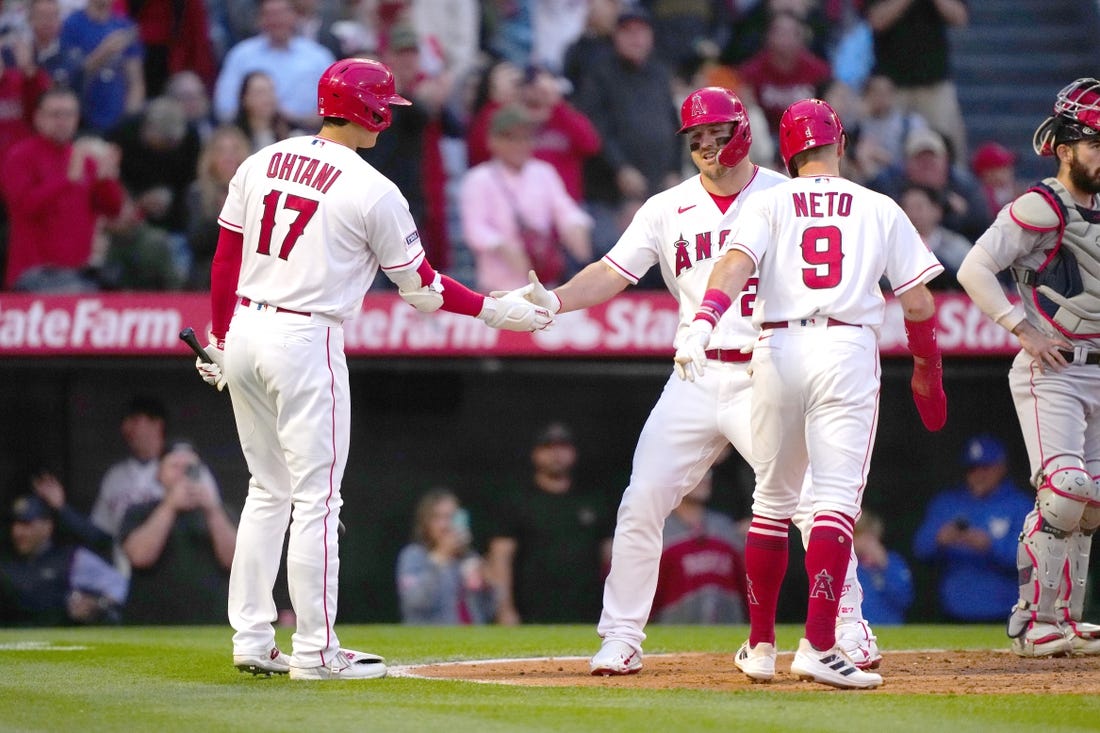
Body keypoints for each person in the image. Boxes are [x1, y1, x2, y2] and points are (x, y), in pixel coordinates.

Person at [500, 88, 882, 676]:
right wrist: (554, 300)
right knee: (642, 500)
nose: (706, 145)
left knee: (811, 504)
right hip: (696, 371)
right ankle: (622, 636)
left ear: (743, 131)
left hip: (769, 367)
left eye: (716, 132)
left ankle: (848, 627)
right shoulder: (666, 207)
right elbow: (611, 270)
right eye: (696, 137)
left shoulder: (788, 193)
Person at [192, 57, 552, 681]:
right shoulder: (372, 188)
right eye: (385, 106)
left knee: (266, 491)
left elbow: (226, 259)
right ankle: (316, 651)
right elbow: (423, 289)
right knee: (316, 502)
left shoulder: (261, 159)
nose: (389, 119)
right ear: (369, 109)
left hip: (245, 329)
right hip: (306, 336)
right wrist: (496, 312)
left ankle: (252, 638)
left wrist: (221, 335)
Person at [674, 97, 944, 689]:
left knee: (771, 504)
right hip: (846, 349)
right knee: (834, 502)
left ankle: (761, 644)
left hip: (774, 348)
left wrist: (701, 323)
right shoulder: (878, 205)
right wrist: (928, 368)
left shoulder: (767, 200)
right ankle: (820, 644)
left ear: (787, 152)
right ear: (838, 144)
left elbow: (733, 268)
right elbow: (919, 302)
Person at [956, 77, 1100, 658]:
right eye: (1096, 143)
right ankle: (1034, 619)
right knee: (1065, 490)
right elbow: (974, 267)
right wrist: (1022, 327)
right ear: (1065, 149)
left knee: (1092, 501)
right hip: (1056, 368)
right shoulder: (1043, 203)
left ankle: (1064, 618)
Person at [485, 422, 614, 625]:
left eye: (563, 446)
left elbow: (611, 559)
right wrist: (504, 609)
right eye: (548, 447)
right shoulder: (517, 501)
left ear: (573, 452)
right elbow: (500, 559)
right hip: (532, 615)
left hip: (588, 614)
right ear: (535, 454)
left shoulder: (592, 501)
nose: (556, 454)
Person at [459, 103, 593, 292]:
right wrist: (501, 246)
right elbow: (474, 228)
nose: (519, 145)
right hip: (498, 286)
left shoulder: (543, 172)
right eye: (511, 139)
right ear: (493, 141)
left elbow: (564, 208)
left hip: (543, 280)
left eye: (525, 138)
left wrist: (575, 226)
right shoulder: (479, 179)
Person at [1, 86, 124, 291]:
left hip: (78, 274)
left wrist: (106, 179)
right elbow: (24, 206)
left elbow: (113, 210)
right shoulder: (19, 156)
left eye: (69, 114)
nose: (63, 121)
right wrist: (65, 180)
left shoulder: (84, 160)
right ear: (39, 117)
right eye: (56, 114)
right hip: (34, 276)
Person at [912, 434, 1033, 622]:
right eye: (972, 468)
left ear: (1001, 467)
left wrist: (990, 546)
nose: (978, 474)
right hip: (952, 610)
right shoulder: (947, 502)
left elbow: (1032, 560)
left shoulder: (1020, 504)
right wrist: (940, 539)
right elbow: (920, 549)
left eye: (986, 467)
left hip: (1006, 611)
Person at [119, 440, 237, 624]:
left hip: (210, 622)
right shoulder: (139, 512)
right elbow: (140, 557)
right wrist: (170, 506)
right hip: (151, 622)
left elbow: (236, 562)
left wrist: (213, 511)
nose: (183, 473)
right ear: (159, 473)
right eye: (174, 466)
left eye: (190, 467)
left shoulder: (221, 512)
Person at [862, 0, 969, 161]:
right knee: (888, 150)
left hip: (934, 83)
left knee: (945, 145)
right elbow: (876, 20)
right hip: (892, 85)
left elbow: (959, 17)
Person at [0, 494, 127, 626]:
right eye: (14, 524)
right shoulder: (6, 561)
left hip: (58, 640)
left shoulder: (71, 558)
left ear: (47, 526)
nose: (17, 532)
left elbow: (121, 587)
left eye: (26, 524)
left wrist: (97, 604)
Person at [212, 0, 334, 130]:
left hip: (308, 136)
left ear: (295, 16)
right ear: (260, 19)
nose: (277, 20)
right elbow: (224, 107)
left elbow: (336, 106)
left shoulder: (319, 56)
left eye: (282, 13)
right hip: (254, 137)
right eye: (270, 14)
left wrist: (295, 120)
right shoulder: (241, 55)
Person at [651, 468, 748, 624]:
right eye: (696, 470)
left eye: (708, 471)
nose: (705, 477)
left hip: (731, 633)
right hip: (670, 634)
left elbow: (749, 588)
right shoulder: (655, 531)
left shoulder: (725, 528)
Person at [868, 126, 993, 242]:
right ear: (907, 164)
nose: (927, 165)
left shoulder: (964, 187)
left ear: (945, 162)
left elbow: (983, 226)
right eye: (920, 160)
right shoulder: (888, 186)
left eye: (932, 159)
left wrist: (963, 215)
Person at [395, 488, 495, 624]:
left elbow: (488, 610)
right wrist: (441, 557)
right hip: (427, 640)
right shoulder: (413, 555)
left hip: (470, 639)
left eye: (451, 517)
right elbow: (415, 602)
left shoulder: (469, 557)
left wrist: (486, 583)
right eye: (438, 517)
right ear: (426, 522)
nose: (445, 525)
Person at [59, 0, 145, 133]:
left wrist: (131, 118)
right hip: (83, 116)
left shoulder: (125, 26)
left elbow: (136, 81)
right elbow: (73, 76)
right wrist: (105, 51)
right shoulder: (71, 24)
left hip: (118, 116)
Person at [899, 182, 972, 290]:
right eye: (907, 208)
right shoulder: (893, 246)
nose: (912, 214)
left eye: (918, 208)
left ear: (937, 211)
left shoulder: (956, 246)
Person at [853, 511, 914, 625]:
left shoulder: (893, 562)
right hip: (853, 633)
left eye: (869, 536)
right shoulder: (844, 565)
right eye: (859, 535)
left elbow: (904, 599)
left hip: (890, 630)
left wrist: (885, 564)